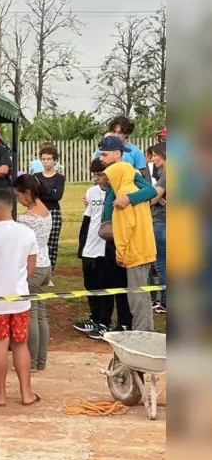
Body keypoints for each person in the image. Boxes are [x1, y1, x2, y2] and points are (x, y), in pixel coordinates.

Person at [0, 188, 41, 408]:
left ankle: (0, 395)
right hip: (20, 297)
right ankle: (27, 394)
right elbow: (31, 268)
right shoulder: (27, 233)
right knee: (20, 344)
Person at [98, 136, 157, 332]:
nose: (102, 157)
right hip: (115, 234)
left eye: (105, 154)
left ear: (118, 154)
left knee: (136, 290)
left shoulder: (128, 172)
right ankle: (126, 325)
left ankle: (141, 331)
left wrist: (129, 198)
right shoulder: (114, 174)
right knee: (121, 284)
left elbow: (150, 191)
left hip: (130, 241)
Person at [74, 159, 133, 339]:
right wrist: (82, 246)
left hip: (107, 248)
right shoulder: (91, 192)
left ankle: (105, 322)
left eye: (100, 175)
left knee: (107, 285)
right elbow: (88, 219)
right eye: (95, 175)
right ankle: (95, 317)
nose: (97, 179)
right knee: (90, 284)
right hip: (91, 246)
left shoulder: (118, 193)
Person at [12, 175, 53, 371]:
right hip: (45, 266)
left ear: (27, 193)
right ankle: (40, 361)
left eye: (18, 196)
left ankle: (32, 361)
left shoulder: (25, 219)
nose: (18, 200)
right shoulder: (45, 210)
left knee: (31, 314)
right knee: (40, 314)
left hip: (33, 267)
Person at [34, 144, 65, 271]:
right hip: (38, 212)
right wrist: (50, 191)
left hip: (54, 212)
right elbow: (34, 195)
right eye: (44, 159)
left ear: (55, 160)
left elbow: (58, 196)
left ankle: (50, 271)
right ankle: (37, 269)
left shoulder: (59, 178)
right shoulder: (36, 176)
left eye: (49, 159)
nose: (46, 162)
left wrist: (43, 191)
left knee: (52, 243)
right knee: (38, 243)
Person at [149, 142, 166, 313]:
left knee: (161, 264)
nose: (152, 159)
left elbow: (152, 199)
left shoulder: (167, 175)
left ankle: (164, 302)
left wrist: (154, 194)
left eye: (155, 155)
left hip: (162, 222)